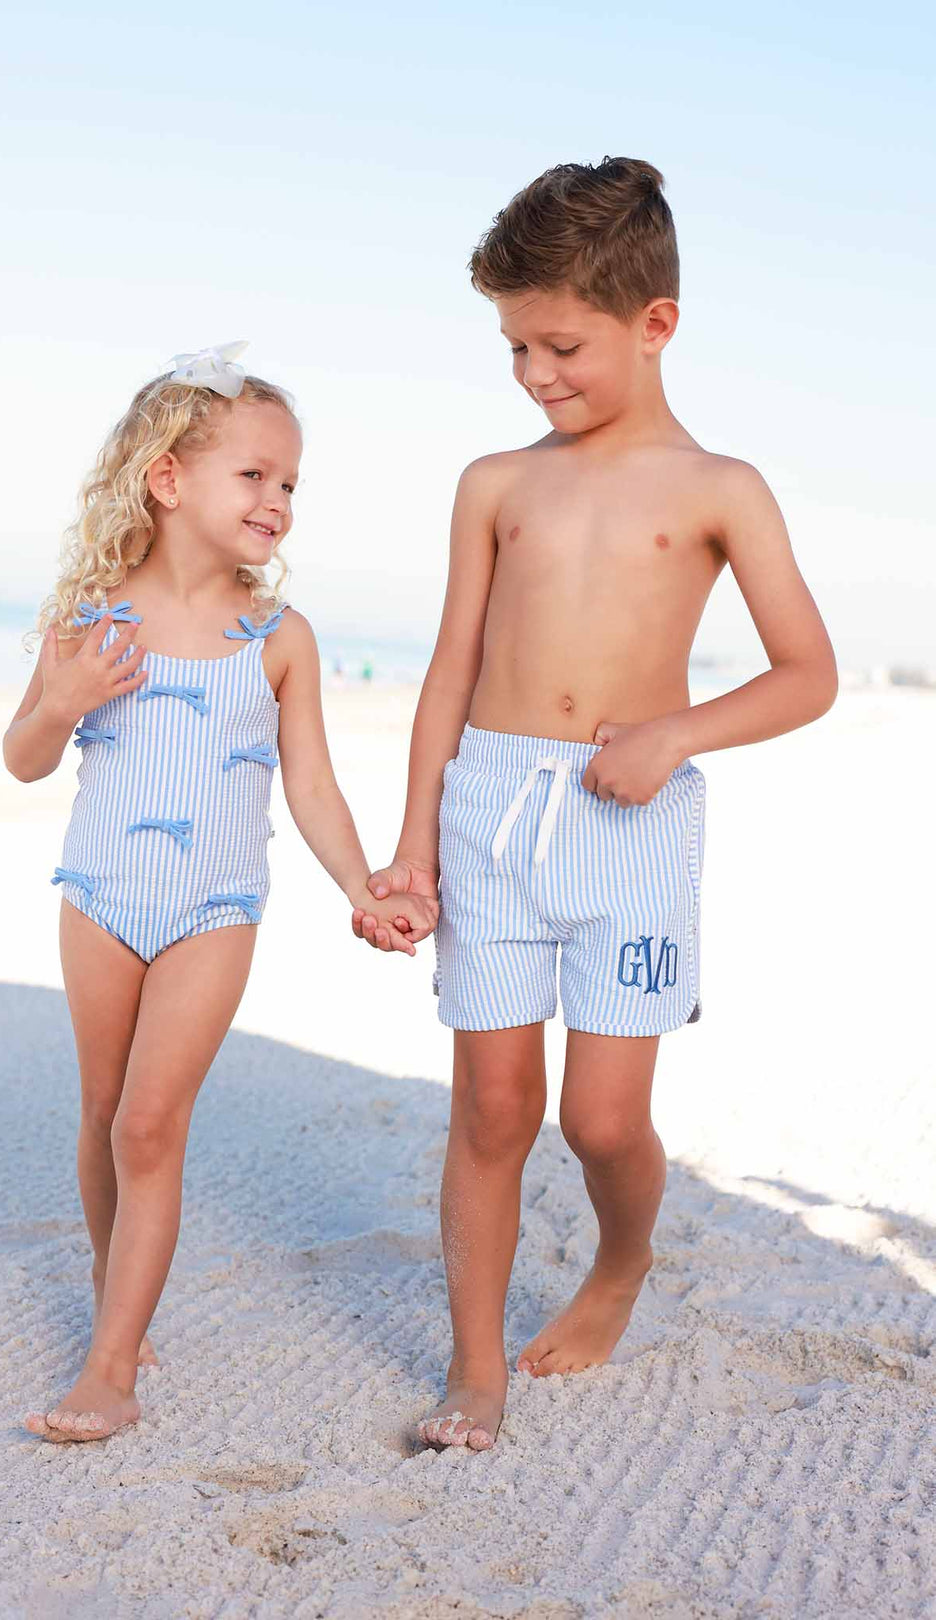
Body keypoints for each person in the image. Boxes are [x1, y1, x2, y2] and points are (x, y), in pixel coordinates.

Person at [353, 159, 837, 1452]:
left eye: (561, 345)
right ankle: (475, 1374)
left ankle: (619, 1265)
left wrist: (678, 733)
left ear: (655, 323)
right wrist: (411, 847)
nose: (534, 374)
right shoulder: (494, 487)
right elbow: (450, 669)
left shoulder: (722, 490)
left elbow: (810, 676)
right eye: (514, 346)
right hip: (491, 810)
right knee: (494, 1106)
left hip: (634, 823)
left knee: (601, 1118)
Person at [4, 343, 433, 1442]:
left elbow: (315, 787)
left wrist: (360, 882)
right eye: (255, 476)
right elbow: (23, 756)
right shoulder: (92, 616)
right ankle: (122, 1307)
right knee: (103, 1117)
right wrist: (66, 698)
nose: (279, 501)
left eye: (290, 484)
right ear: (168, 480)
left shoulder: (279, 640)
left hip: (215, 907)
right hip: (98, 895)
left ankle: (111, 1367)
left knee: (152, 1124)